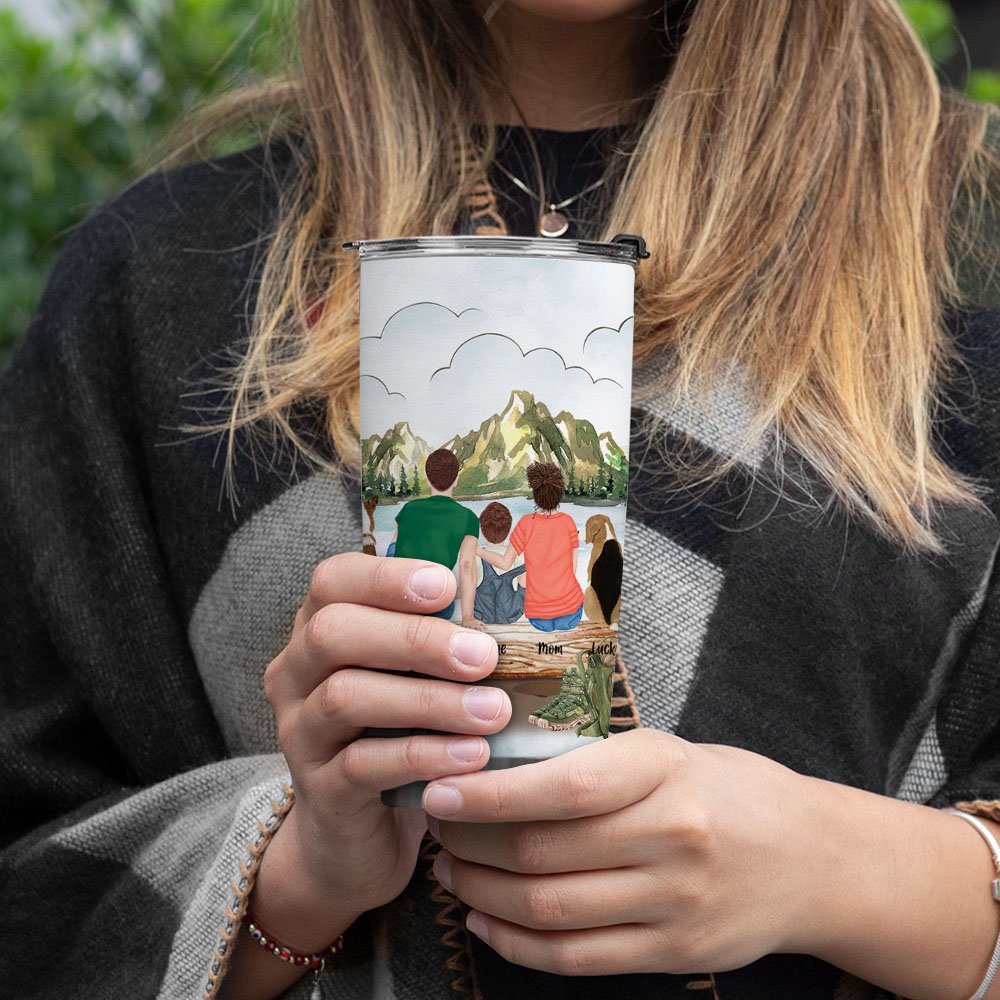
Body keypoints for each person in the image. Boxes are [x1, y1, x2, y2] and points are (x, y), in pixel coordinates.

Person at [3, 2, 1000, 1000]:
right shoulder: (162, 285)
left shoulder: (970, 233)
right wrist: (293, 878)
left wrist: (847, 871)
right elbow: (31, 881)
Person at [478, 463, 586, 632]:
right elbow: (573, 568)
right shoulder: (568, 522)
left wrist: (477, 550)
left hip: (539, 616)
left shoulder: (526, 524)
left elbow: (505, 564)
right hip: (571, 611)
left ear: (536, 495)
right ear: (559, 494)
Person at [386, 448, 484, 627]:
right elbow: (466, 565)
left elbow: (396, 546)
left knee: (396, 542)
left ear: (427, 477)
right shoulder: (468, 517)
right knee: (448, 588)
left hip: (401, 601)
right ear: (456, 479)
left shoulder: (408, 508)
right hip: (435, 606)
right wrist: (467, 617)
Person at [474, 501, 526, 625]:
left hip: (482, 615)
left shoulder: (475, 556)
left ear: (481, 531)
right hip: (511, 615)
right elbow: (524, 584)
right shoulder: (518, 554)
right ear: (508, 532)